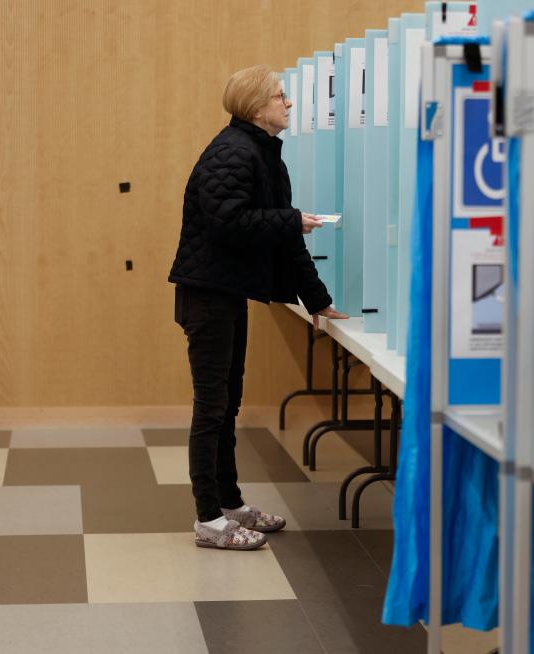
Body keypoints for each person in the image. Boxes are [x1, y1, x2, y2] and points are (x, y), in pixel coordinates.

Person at [169, 64, 347, 551]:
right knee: (212, 410)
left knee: (227, 406)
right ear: (255, 106)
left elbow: (283, 236)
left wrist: (319, 300)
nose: (287, 103)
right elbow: (230, 223)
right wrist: (289, 220)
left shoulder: (263, 154)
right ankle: (209, 518)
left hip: (225, 293)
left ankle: (229, 503)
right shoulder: (231, 152)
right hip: (207, 296)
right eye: (279, 96)